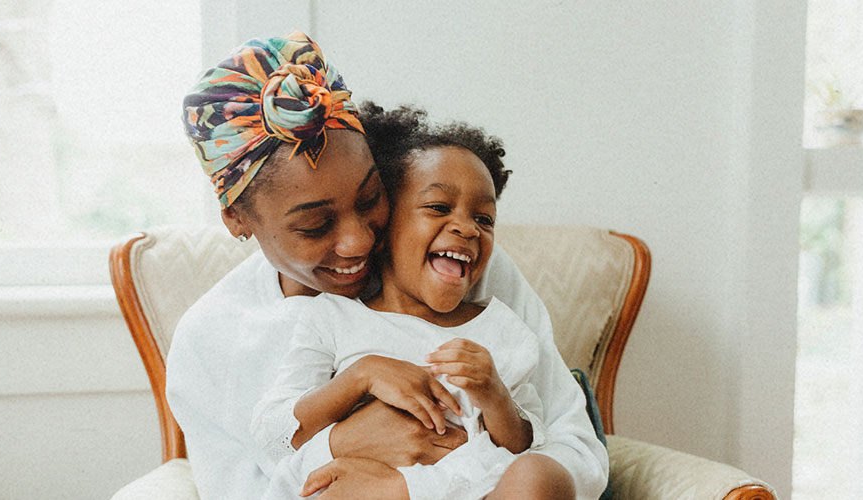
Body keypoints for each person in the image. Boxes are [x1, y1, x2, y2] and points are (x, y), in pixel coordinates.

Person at [166, 31, 606, 500]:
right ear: (237, 220)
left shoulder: (457, 271)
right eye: (316, 226)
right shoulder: (209, 341)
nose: (359, 242)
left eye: (370, 197)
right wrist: (342, 443)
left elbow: (573, 448)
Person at [248, 107, 609, 500]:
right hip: (358, 489)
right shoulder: (332, 319)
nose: (466, 227)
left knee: (540, 475)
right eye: (438, 208)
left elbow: (522, 446)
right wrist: (359, 378)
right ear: (384, 229)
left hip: (466, 488)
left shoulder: (501, 328)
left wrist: (495, 397)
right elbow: (275, 433)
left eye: (485, 219)